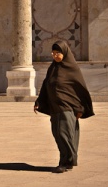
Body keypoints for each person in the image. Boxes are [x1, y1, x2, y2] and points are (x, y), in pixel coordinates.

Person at [34, 40, 94, 174]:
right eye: (53, 53)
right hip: (55, 108)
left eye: (57, 53)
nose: (54, 55)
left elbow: (79, 90)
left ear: (64, 53)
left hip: (67, 108)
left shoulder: (72, 69)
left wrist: (80, 109)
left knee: (63, 134)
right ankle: (68, 160)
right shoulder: (53, 68)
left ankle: (65, 163)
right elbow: (46, 85)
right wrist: (39, 101)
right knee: (58, 134)